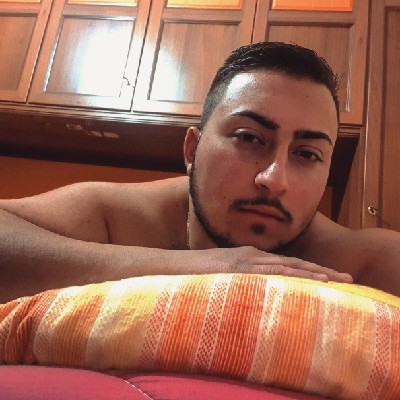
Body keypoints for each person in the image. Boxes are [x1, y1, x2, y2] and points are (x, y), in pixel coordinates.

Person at [0, 42, 399, 303]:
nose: (274, 179)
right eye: (249, 138)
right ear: (192, 149)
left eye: (308, 154)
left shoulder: (363, 261)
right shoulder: (122, 217)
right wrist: (196, 267)